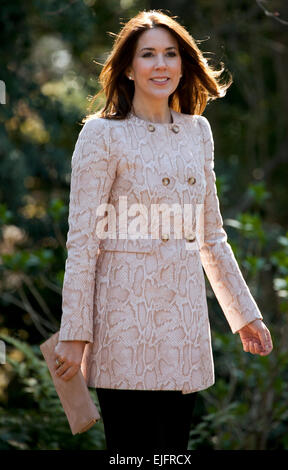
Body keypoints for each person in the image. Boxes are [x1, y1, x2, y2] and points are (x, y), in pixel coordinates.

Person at [54, 10, 273, 451]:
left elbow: (211, 236)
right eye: (148, 54)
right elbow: (83, 242)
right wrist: (74, 333)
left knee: (173, 454)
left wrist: (245, 315)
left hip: (184, 328)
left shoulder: (198, 132)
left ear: (183, 64)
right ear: (129, 68)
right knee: (132, 455)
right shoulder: (102, 135)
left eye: (170, 54)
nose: (161, 65)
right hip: (123, 328)